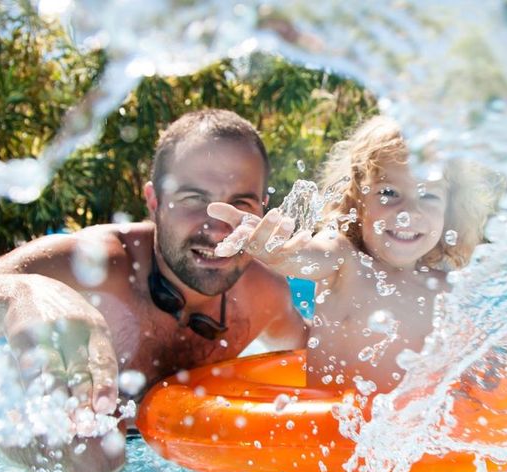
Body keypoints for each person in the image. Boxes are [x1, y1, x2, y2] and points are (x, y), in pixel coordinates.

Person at [0, 109, 308, 472]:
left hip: (161, 464)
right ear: (154, 202)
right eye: (194, 199)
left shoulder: (265, 294)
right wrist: (20, 293)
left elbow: (322, 359)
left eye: (240, 204)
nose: (218, 229)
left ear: (263, 209)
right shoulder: (92, 266)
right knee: (93, 453)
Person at [208, 115, 492, 393]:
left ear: (449, 210)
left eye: (428, 196)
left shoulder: (446, 290)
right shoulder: (345, 257)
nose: (408, 212)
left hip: (402, 423)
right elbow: (309, 257)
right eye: (389, 192)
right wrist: (278, 252)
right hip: (328, 420)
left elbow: (469, 370)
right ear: (358, 199)